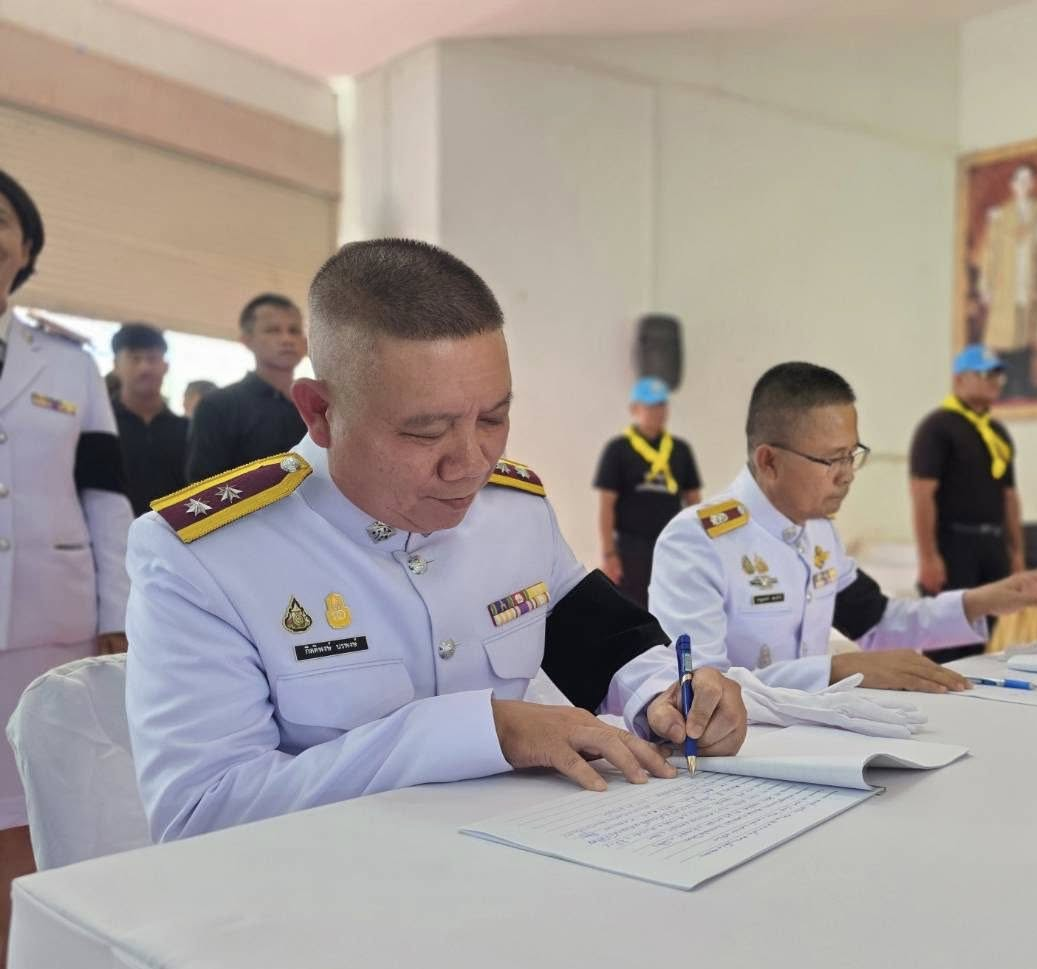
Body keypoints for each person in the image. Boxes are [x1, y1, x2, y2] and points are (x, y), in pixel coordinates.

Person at [126, 239, 746, 843]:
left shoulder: (515, 512)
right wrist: (484, 733)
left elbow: (601, 639)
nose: (471, 464)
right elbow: (200, 814)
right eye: (426, 432)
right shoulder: (205, 557)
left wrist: (667, 694)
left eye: (494, 418)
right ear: (320, 412)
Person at [647, 362, 1037, 693]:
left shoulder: (816, 531)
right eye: (832, 459)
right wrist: (834, 671)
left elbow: (878, 622)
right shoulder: (699, 541)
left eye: (852, 455)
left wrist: (984, 600)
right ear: (769, 461)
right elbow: (694, 689)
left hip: (816, 738)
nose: (848, 474)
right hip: (735, 761)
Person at [0, 169, 131, 969]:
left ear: (28, 246)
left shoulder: (70, 364)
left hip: (49, 616)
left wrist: (117, 611)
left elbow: (106, 494)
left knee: (33, 807)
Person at [909, 345, 1025, 664]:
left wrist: (1016, 553)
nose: (995, 381)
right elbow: (922, 494)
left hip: (991, 546)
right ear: (960, 379)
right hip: (953, 546)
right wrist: (928, 557)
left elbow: (1009, 497)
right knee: (946, 641)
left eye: (998, 375)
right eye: (986, 374)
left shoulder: (996, 432)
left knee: (981, 639)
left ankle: (971, 691)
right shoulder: (937, 428)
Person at [593, 376, 702, 608]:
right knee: (634, 611)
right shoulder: (618, 449)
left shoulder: (680, 450)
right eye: (650, 405)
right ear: (635, 409)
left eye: (662, 405)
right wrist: (609, 554)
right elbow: (606, 506)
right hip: (631, 550)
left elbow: (694, 503)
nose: (657, 411)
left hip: (674, 546)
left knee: (673, 607)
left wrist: (698, 546)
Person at [185, 293, 307, 480]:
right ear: (247, 340)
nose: (287, 339)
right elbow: (204, 484)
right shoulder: (218, 406)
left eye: (294, 330)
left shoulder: (317, 405)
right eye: (273, 330)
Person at [973, 162, 1037, 400]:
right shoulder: (1001, 215)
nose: (1024, 184)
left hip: (1033, 280)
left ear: (1033, 183)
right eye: (1020, 180)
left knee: (1027, 331)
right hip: (1007, 281)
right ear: (1012, 185)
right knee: (1007, 332)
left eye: (1028, 180)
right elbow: (991, 252)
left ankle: (1024, 382)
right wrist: (986, 284)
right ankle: (1007, 383)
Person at [110, 323, 188, 516]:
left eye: (152, 358)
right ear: (116, 366)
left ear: (165, 366)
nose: (145, 368)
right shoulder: (101, 426)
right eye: (135, 358)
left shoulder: (188, 430)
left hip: (172, 532)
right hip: (110, 532)